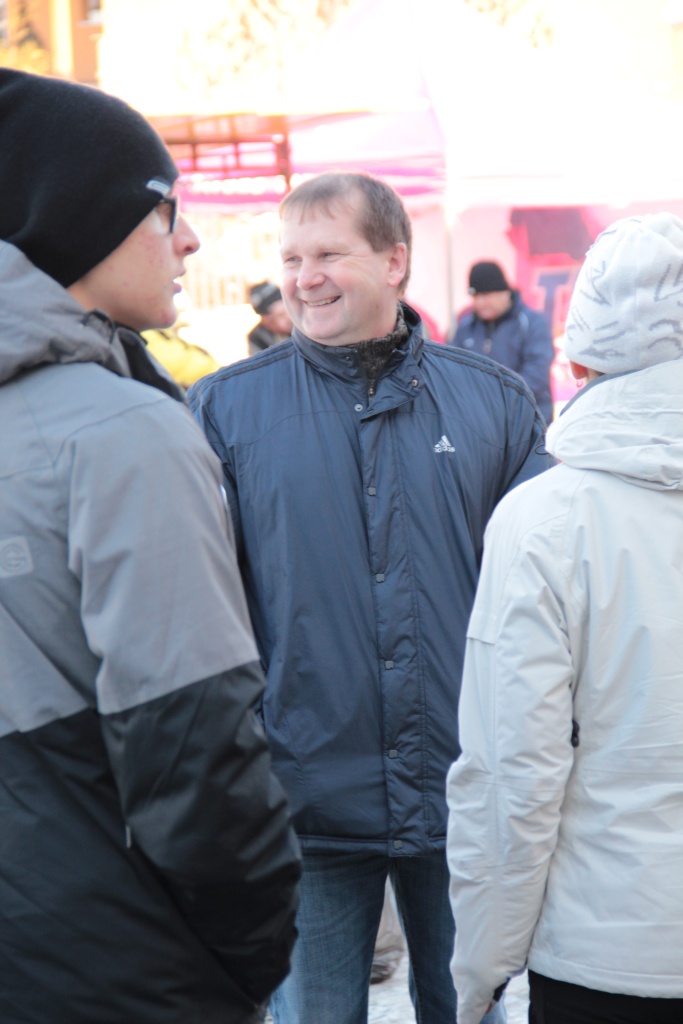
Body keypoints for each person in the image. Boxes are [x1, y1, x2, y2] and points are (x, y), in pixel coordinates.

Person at [189, 170, 552, 1024]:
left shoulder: (494, 402)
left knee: (467, 1010)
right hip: (303, 799)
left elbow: (542, 601)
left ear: (393, 260)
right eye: (290, 259)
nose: (303, 278)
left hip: (464, 790)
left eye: (327, 255)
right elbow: (201, 610)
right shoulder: (223, 410)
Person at [0, 68, 300, 1024]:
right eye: (165, 207)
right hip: (129, 964)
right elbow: (195, 748)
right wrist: (254, 953)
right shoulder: (125, 432)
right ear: (76, 217)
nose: (189, 239)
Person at [446, 212, 683, 1024]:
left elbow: (511, 770)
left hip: (608, 951)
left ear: (578, 357)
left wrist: (481, 966)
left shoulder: (542, 519)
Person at [448, 260, 555, 423]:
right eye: (475, 296)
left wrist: (494, 396)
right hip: (481, 423)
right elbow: (453, 372)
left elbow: (537, 374)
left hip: (527, 421)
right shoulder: (466, 327)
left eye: (485, 295)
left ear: (504, 292)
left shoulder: (532, 323)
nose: (480, 302)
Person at [247, 280, 293, 355]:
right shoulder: (258, 337)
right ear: (264, 320)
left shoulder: (306, 325)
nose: (289, 318)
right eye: (281, 315)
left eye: (283, 314)